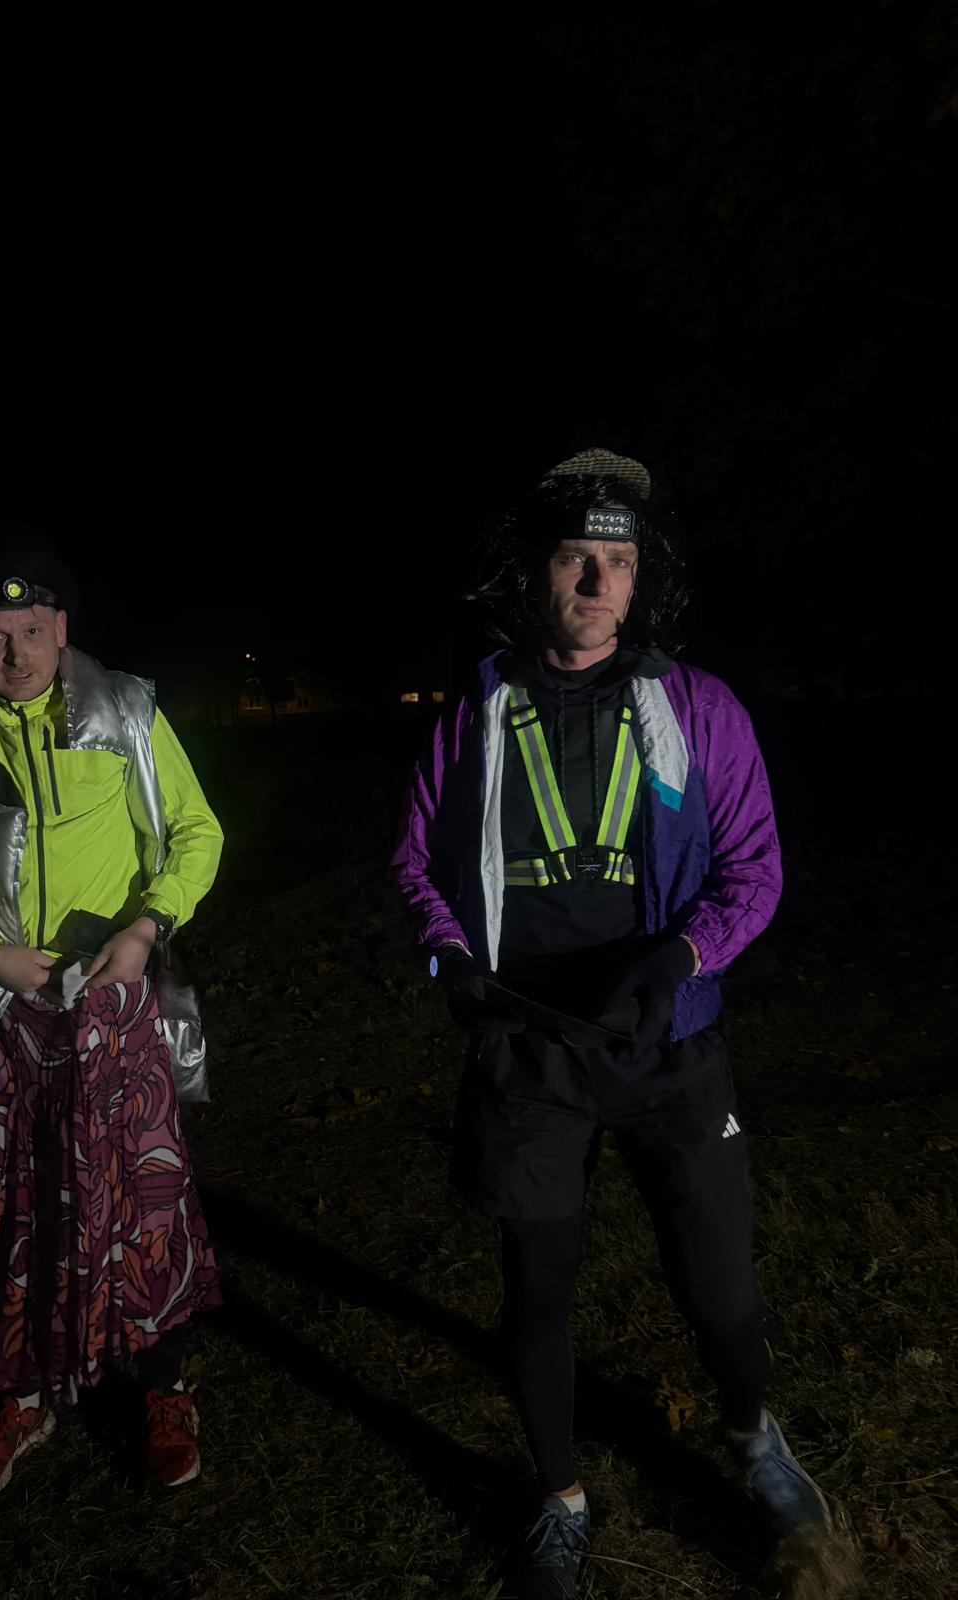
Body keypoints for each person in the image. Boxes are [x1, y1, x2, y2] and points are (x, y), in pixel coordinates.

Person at [391, 450, 831, 1596]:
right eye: (575, 556)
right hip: (529, 1053)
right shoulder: (477, 710)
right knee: (538, 1293)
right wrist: (450, 954)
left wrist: (677, 959)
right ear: (535, 570)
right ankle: (560, 1495)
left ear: (643, 580)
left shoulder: (698, 708)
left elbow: (754, 868)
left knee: (721, 1294)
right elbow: (415, 860)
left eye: (618, 562)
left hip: (667, 1043)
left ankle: (751, 1432)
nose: (595, 581)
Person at [0, 535, 224, 1503]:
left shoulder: (126, 710)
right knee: (13, 1211)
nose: (15, 654)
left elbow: (196, 831)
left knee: (141, 1202)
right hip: (1, 1019)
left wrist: (148, 927)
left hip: (115, 1004)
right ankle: (21, 1397)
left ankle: (161, 1387)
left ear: (62, 628)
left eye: (31, 631)